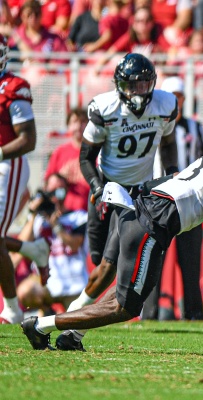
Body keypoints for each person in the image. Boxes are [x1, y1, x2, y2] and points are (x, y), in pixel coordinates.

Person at [22, 121, 203, 351]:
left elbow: (174, 178)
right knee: (126, 307)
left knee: (132, 288)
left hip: (143, 209)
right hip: (156, 219)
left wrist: (137, 191)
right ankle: (40, 325)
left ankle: (73, 335)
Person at [65, 53, 179, 319]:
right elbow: (85, 158)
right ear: (119, 84)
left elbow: (169, 142)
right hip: (107, 187)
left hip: (137, 193)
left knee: (110, 263)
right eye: (133, 85)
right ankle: (88, 312)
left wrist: (172, 173)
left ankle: (78, 314)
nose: (139, 91)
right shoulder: (105, 108)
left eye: (144, 84)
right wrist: (96, 188)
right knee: (97, 258)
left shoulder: (164, 104)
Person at [142, 76, 203, 321]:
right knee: (154, 259)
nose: (176, 102)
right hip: (159, 199)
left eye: (179, 97)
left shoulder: (195, 127)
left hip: (190, 199)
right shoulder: (153, 125)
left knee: (190, 260)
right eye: (172, 97)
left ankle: (194, 313)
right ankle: (147, 313)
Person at [0, 32, 48, 324]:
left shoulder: (12, 87)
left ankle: (13, 309)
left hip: (8, 165)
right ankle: (32, 248)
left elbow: (28, 139)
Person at [15, 173, 89, 315]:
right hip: (46, 283)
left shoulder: (78, 217)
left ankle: (56, 316)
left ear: (66, 191)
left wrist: (56, 225)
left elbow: (74, 244)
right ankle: (47, 311)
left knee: (78, 323)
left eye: (60, 189)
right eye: (52, 189)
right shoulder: (38, 220)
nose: (56, 194)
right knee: (25, 292)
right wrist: (32, 213)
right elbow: (22, 244)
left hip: (75, 284)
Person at [44, 108, 90, 212]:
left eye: (82, 122)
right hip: (62, 213)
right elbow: (48, 183)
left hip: (88, 213)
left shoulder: (96, 152)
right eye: (74, 122)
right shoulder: (59, 152)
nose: (78, 126)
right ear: (68, 126)